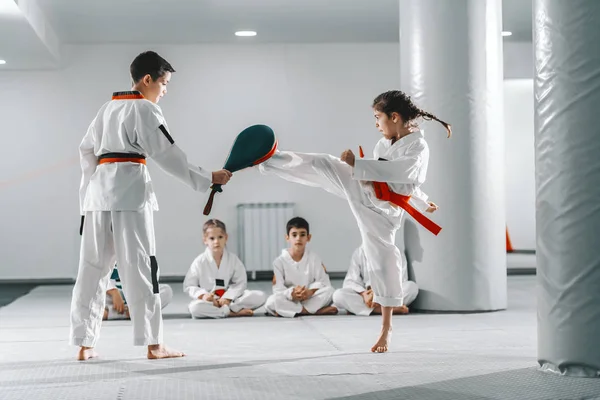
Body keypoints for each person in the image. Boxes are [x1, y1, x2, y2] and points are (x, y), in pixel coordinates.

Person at [70, 50, 232, 361]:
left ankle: (84, 343)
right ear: (147, 80)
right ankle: (154, 344)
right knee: (141, 267)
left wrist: (85, 202)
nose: (165, 90)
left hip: (96, 197)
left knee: (91, 269)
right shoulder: (144, 110)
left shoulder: (105, 109)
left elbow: (86, 153)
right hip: (129, 194)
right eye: (164, 83)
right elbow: (169, 155)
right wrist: (208, 178)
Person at [259, 90, 450, 352]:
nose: (376, 124)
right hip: (366, 189)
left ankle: (386, 328)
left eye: (377, 117)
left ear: (394, 117)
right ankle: (269, 160)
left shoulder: (418, 146)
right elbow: (387, 174)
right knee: (326, 163)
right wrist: (357, 167)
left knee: (383, 261)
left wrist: (417, 198)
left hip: (384, 214)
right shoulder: (384, 144)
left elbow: (404, 174)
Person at [184, 219, 266, 318]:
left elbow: (240, 283)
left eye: (220, 237)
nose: (216, 241)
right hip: (210, 301)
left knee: (260, 296)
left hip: (229, 300)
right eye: (212, 238)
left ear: (226, 238)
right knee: (195, 308)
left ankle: (224, 309)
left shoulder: (233, 259)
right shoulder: (200, 261)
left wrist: (228, 297)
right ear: (205, 240)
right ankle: (232, 313)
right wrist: (204, 295)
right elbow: (189, 285)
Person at [264, 217, 337, 318]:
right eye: (294, 235)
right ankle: (312, 311)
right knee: (271, 301)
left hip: (309, 298)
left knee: (330, 291)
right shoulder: (279, 262)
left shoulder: (314, 258)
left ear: (308, 237)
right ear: (287, 237)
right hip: (290, 299)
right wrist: (292, 294)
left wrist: (309, 292)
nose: (298, 238)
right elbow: (278, 289)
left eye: (302, 234)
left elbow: (324, 282)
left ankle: (291, 311)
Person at [333, 246, 418, 316]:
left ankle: (365, 310)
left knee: (411, 287)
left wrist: (379, 293)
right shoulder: (359, 252)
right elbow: (351, 281)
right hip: (367, 297)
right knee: (338, 295)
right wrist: (364, 294)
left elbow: (401, 280)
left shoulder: (396, 251)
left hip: (388, 294)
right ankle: (383, 310)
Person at [103, 267, 173, 320]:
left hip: (134, 295)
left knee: (166, 291)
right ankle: (133, 312)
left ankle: (131, 311)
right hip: (108, 294)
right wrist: (113, 291)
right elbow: (96, 275)